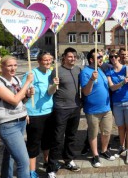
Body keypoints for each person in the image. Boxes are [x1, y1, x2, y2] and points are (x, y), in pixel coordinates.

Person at [0, 55, 34, 178]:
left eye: (15, 65)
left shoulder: (16, 80)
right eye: (9, 65)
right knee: (24, 162)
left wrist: (28, 95)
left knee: (9, 155)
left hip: (21, 121)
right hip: (8, 125)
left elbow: (21, 101)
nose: (13, 68)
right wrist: (27, 82)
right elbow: (14, 100)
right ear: (2, 66)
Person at [46, 47, 82, 178]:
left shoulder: (78, 70)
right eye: (70, 56)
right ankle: (52, 166)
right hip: (61, 109)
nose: (73, 59)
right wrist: (54, 85)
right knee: (57, 139)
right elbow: (50, 91)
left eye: (74, 57)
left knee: (72, 136)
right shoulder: (57, 71)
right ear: (64, 58)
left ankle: (68, 160)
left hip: (76, 107)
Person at [22, 51, 57, 178]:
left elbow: (49, 93)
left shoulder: (51, 73)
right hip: (34, 113)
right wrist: (27, 94)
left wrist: (54, 85)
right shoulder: (31, 74)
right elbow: (22, 95)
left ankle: (47, 162)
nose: (48, 62)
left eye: (50, 59)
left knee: (47, 140)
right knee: (33, 143)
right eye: (45, 60)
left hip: (49, 112)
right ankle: (32, 170)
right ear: (39, 61)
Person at [80, 49, 114, 168]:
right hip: (93, 110)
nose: (101, 59)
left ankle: (104, 150)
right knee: (93, 134)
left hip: (106, 109)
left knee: (106, 132)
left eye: (101, 57)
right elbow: (85, 92)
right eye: (98, 57)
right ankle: (95, 155)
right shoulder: (86, 72)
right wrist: (91, 80)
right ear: (91, 60)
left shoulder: (101, 70)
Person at [106, 50, 128, 165]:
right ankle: (121, 146)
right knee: (120, 127)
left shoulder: (126, 68)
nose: (113, 58)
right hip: (117, 103)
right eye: (111, 57)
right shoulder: (109, 72)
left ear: (119, 57)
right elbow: (111, 87)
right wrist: (122, 83)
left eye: (115, 56)